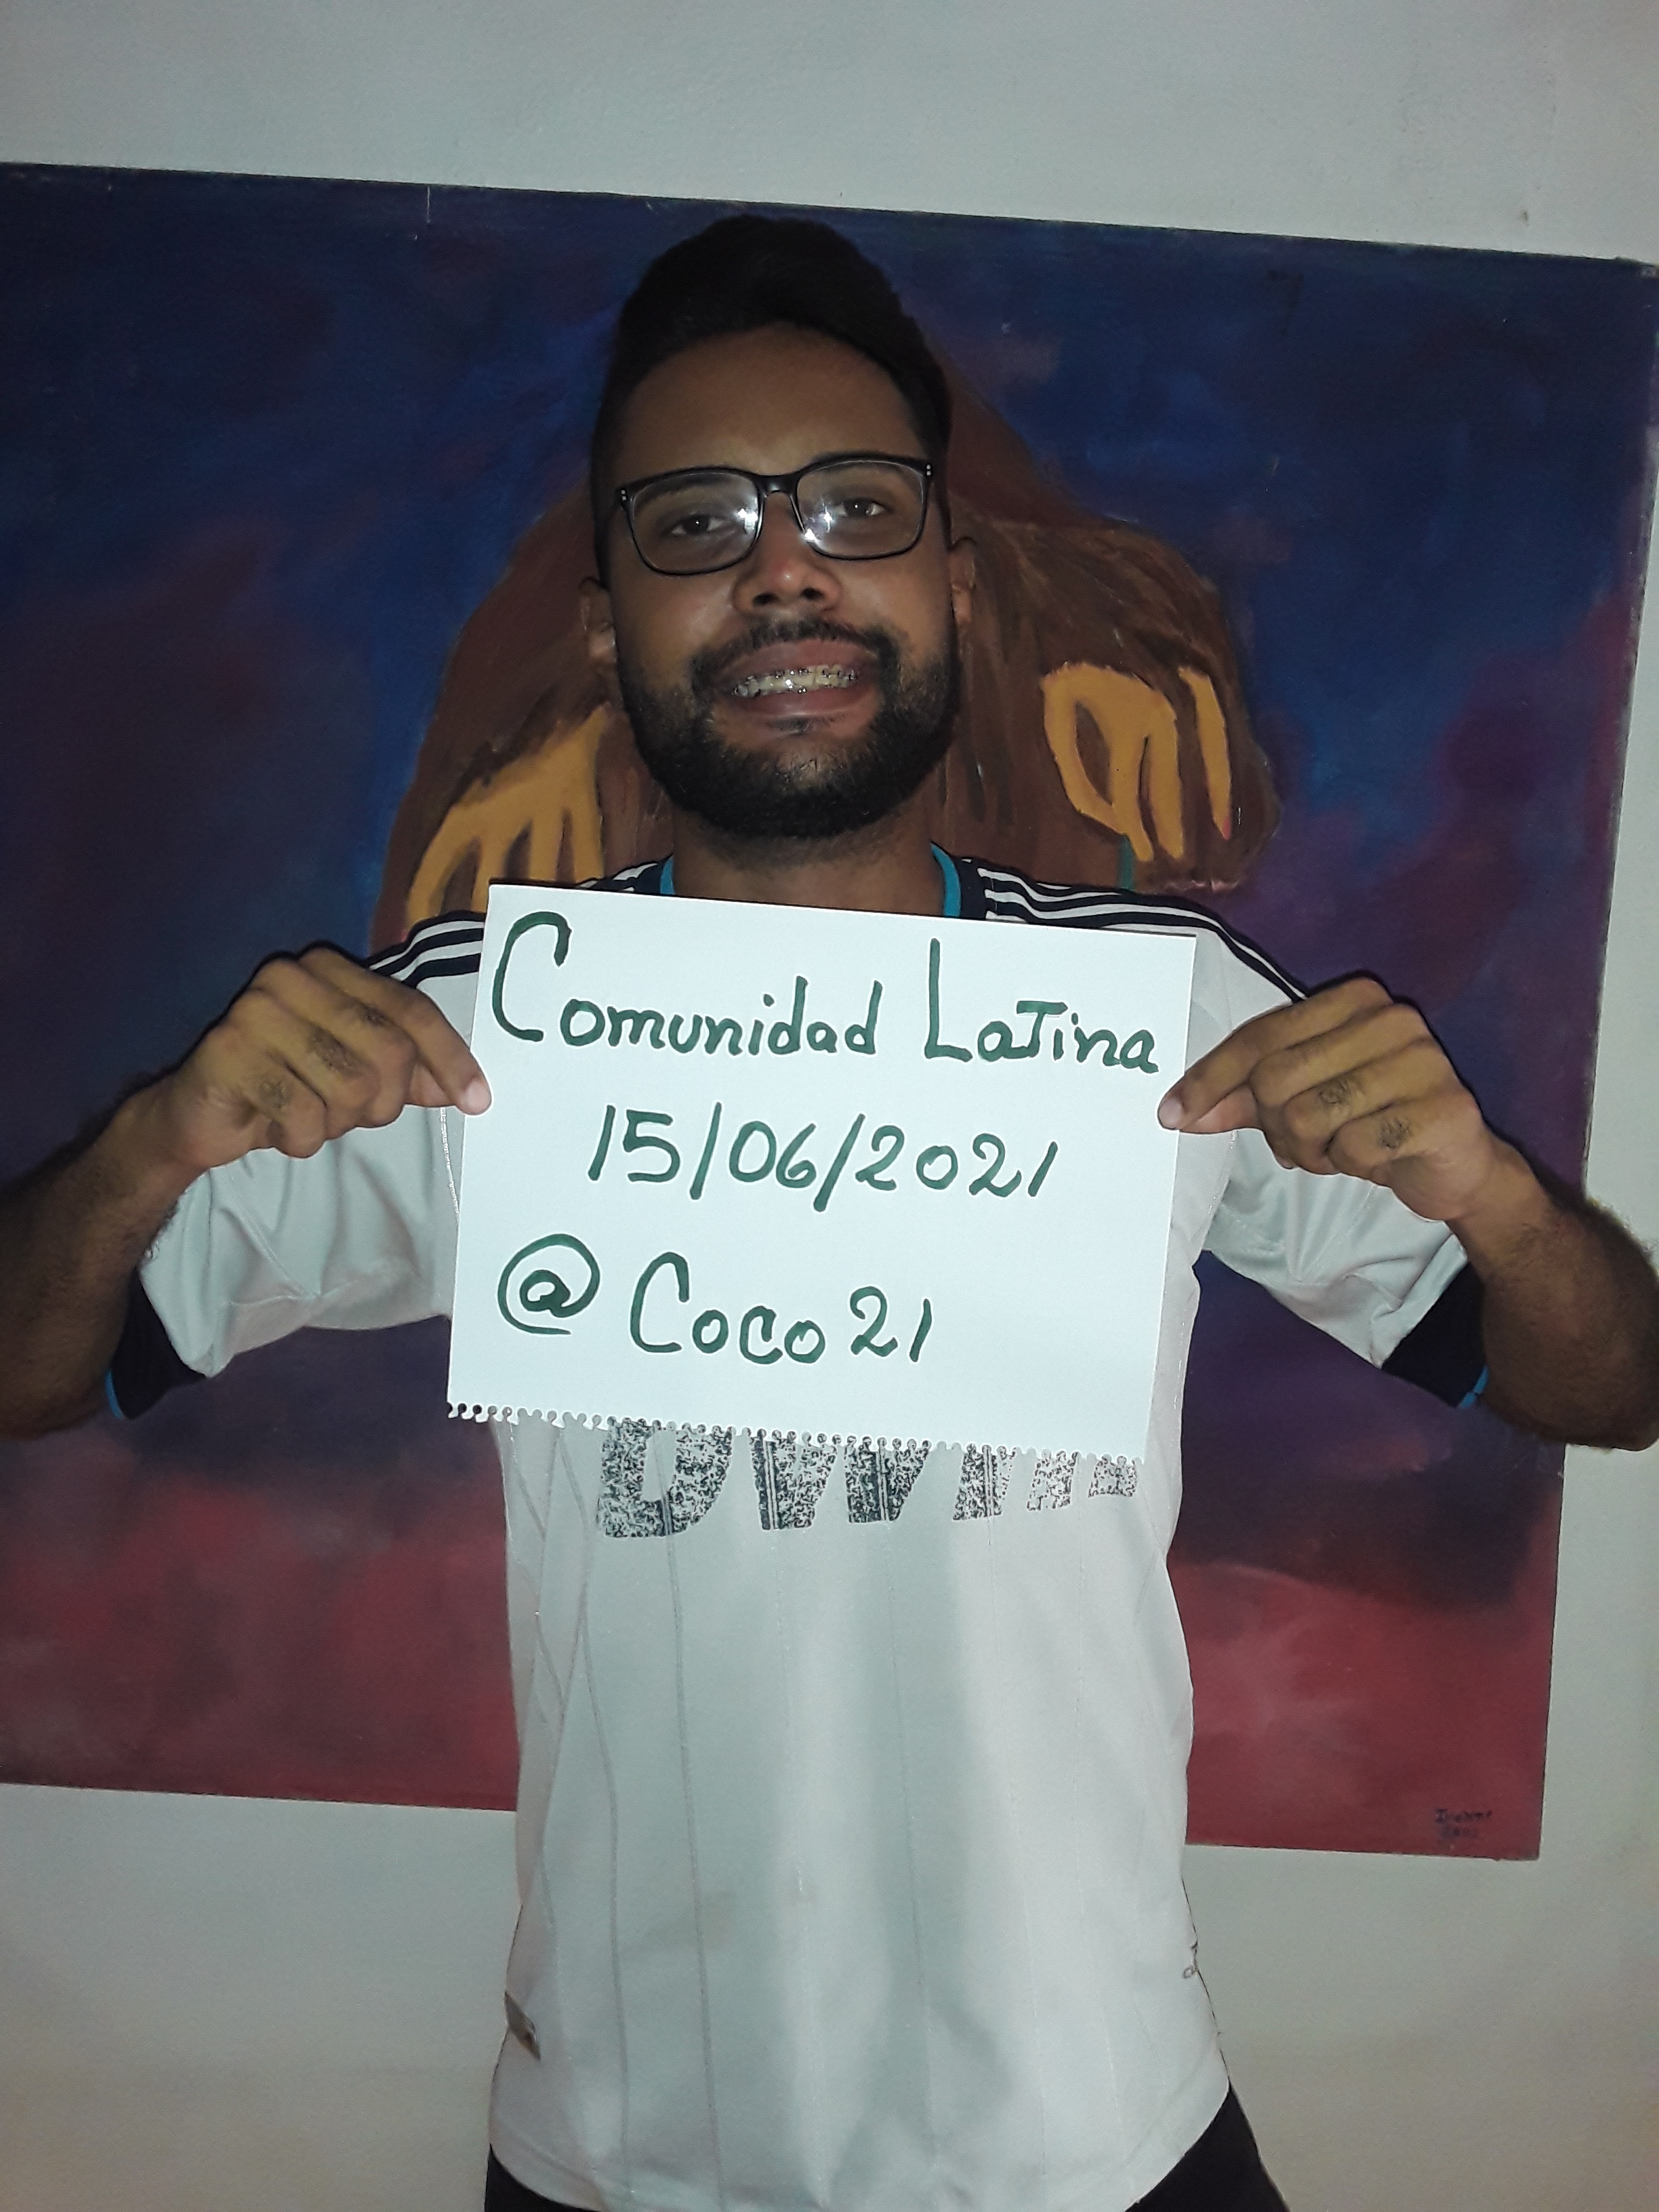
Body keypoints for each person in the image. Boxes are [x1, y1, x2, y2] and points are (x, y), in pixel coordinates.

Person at [3, 217, 1655, 2212]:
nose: (784, 567)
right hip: (629, 2153)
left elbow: (1610, 1384)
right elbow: (31, 1368)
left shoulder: (1165, 1021)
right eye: (696, 523)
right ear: (607, 622)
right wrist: (150, 1148)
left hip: (1096, 2138)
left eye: (854, 507)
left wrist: (1488, 1194)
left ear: (952, 580)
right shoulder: (484, 1042)